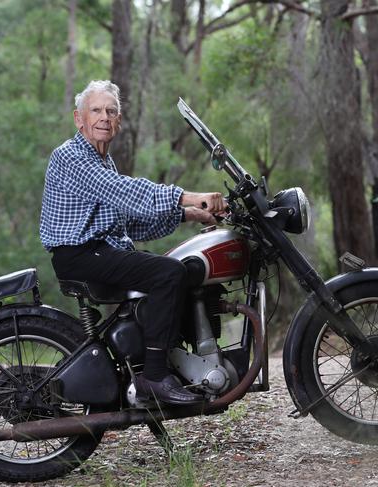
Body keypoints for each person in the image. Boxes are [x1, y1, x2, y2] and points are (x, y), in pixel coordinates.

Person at [40, 80, 225, 405]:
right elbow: (128, 193)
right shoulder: (72, 157)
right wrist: (189, 196)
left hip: (99, 251)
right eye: (95, 110)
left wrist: (191, 214)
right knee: (168, 274)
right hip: (80, 255)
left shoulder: (102, 161)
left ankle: (162, 361)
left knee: (181, 268)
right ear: (78, 119)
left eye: (111, 111)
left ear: (119, 121)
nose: (104, 117)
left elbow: (130, 224)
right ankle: (153, 377)